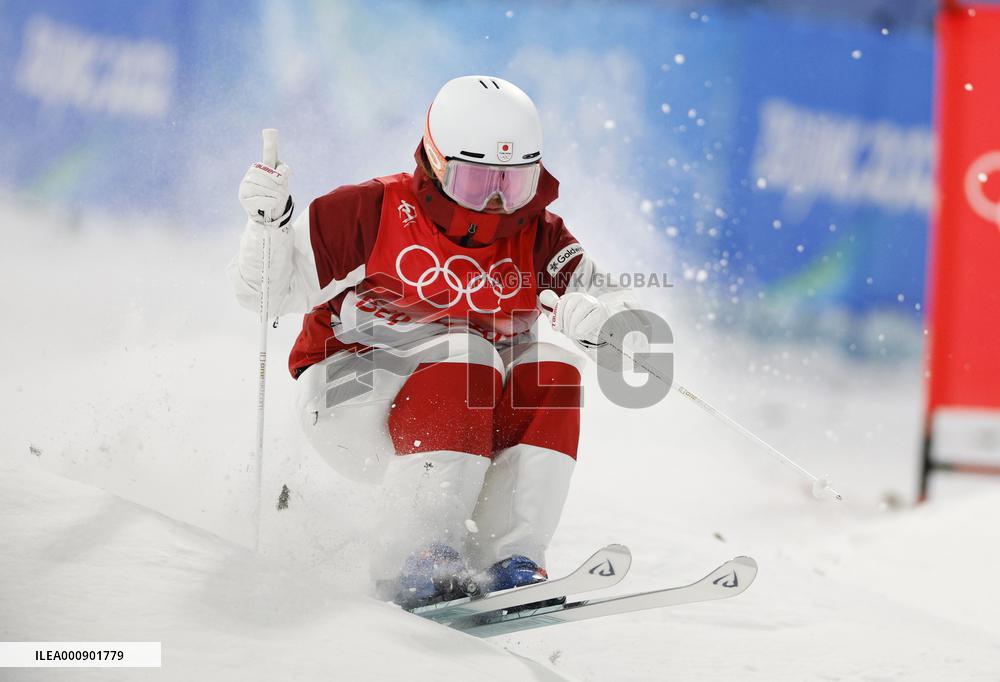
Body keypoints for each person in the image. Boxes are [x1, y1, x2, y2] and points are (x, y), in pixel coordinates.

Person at [229, 75, 637, 608]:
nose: (494, 204)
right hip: (349, 395)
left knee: (554, 369)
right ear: (436, 161)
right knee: (466, 350)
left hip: (463, 422)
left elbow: (634, 331)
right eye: (476, 184)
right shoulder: (367, 211)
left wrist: (602, 325)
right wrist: (270, 228)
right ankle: (415, 553)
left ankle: (508, 559)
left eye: (512, 185)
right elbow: (264, 295)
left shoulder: (538, 237)